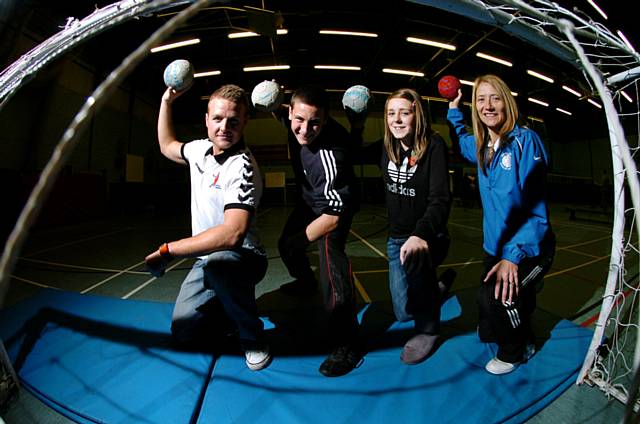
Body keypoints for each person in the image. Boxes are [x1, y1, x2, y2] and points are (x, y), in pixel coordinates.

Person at [144, 84, 271, 371]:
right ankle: (228, 311)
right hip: (208, 260)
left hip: (245, 257)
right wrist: (166, 102)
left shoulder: (243, 167)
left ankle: (253, 337)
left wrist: (169, 250)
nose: (224, 127)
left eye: (233, 121)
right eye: (217, 119)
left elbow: (232, 234)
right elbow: (166, 145)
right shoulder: (200, 150)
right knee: (184, 332)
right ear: (206, 119)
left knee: (219, 262)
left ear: (244, 122)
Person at [447, 74, 556, 375]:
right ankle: (525, 295)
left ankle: (518, 350)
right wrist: (454, 110)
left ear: (507, 102)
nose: (487, 105)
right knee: (488, 322)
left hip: (532, 246)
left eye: (495, 98)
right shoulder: (482, 147)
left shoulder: (525, 141)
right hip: (494, 246)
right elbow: (461, 140)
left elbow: (535, 211)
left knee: (495, 298)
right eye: (481, 99)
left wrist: (513, 256)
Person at [354, 88, 453, 364]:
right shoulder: (385, 147)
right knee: (403, 313)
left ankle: (429, 331)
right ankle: (439, 288)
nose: (396, 120)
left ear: (416, 115)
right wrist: (356, 124)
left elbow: (440, 200)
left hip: (429, 237)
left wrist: (421, 235)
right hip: (396, 239)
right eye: (390, 113)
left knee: (418, 275)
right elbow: (352, 153)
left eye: (404, 113)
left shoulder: (433, 146)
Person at [275, 85, 361, 377]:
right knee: (284, 246)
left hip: (333, 209)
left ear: (325, 121)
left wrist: (302, 240)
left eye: (314, 123)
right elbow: (278, 109)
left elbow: (334, 216)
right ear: (289, 112)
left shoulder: (330, 154)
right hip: (309, 200)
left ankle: (347, 342)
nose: (305, 129)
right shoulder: (293, 121)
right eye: (299, 120)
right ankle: (305, 281)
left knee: (331, 264)